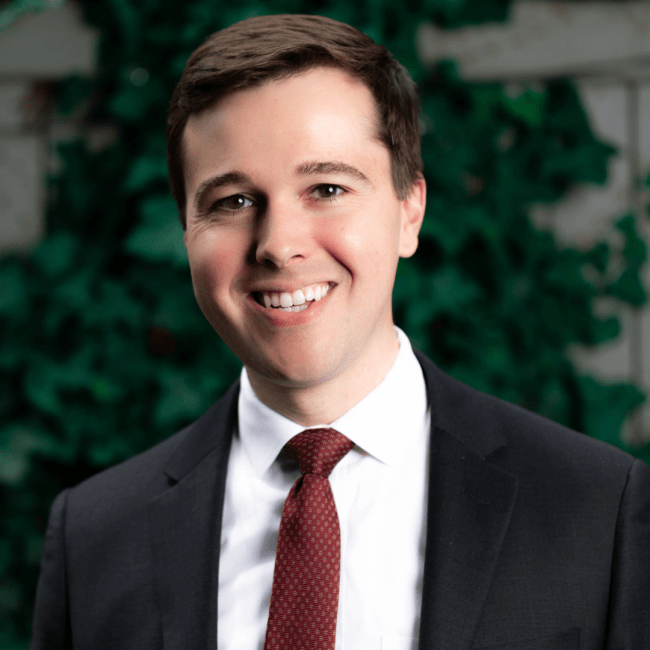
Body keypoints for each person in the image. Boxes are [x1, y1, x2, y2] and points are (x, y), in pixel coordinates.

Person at [31, 14, 649, 650]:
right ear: (187, 229)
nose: (278, 246)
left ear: (409, 210)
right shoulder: (93, 536)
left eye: (326, 188)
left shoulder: (597, 511)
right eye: (233, 202)